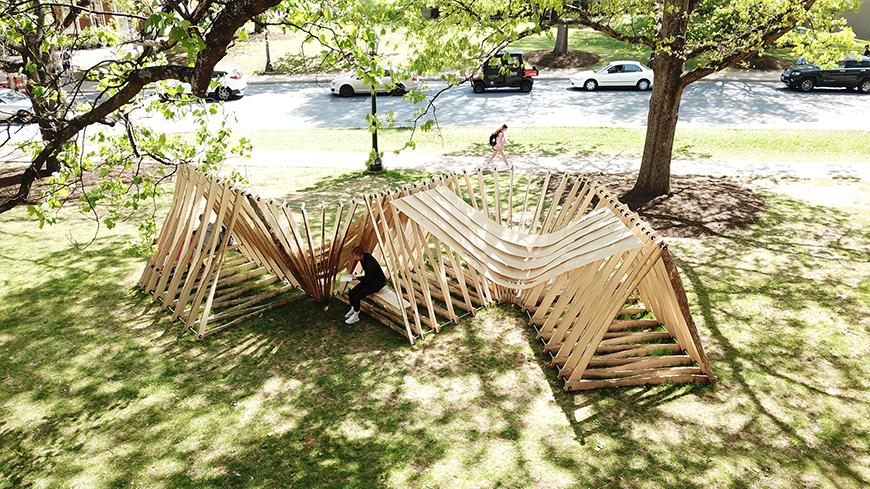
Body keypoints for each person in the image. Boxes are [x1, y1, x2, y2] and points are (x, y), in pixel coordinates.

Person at [345, 245, 386, 324]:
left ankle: (356, 316)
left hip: (376, 283)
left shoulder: (369, 263)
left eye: (355, 256)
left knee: (357, 297)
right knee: (351, 293)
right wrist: (357, 277)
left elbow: (368, 279)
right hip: (370, 279)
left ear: (360, 255)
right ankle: (353, 308)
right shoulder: (364, 257)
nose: (354, 258)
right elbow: (368, 276)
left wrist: (356, 278)